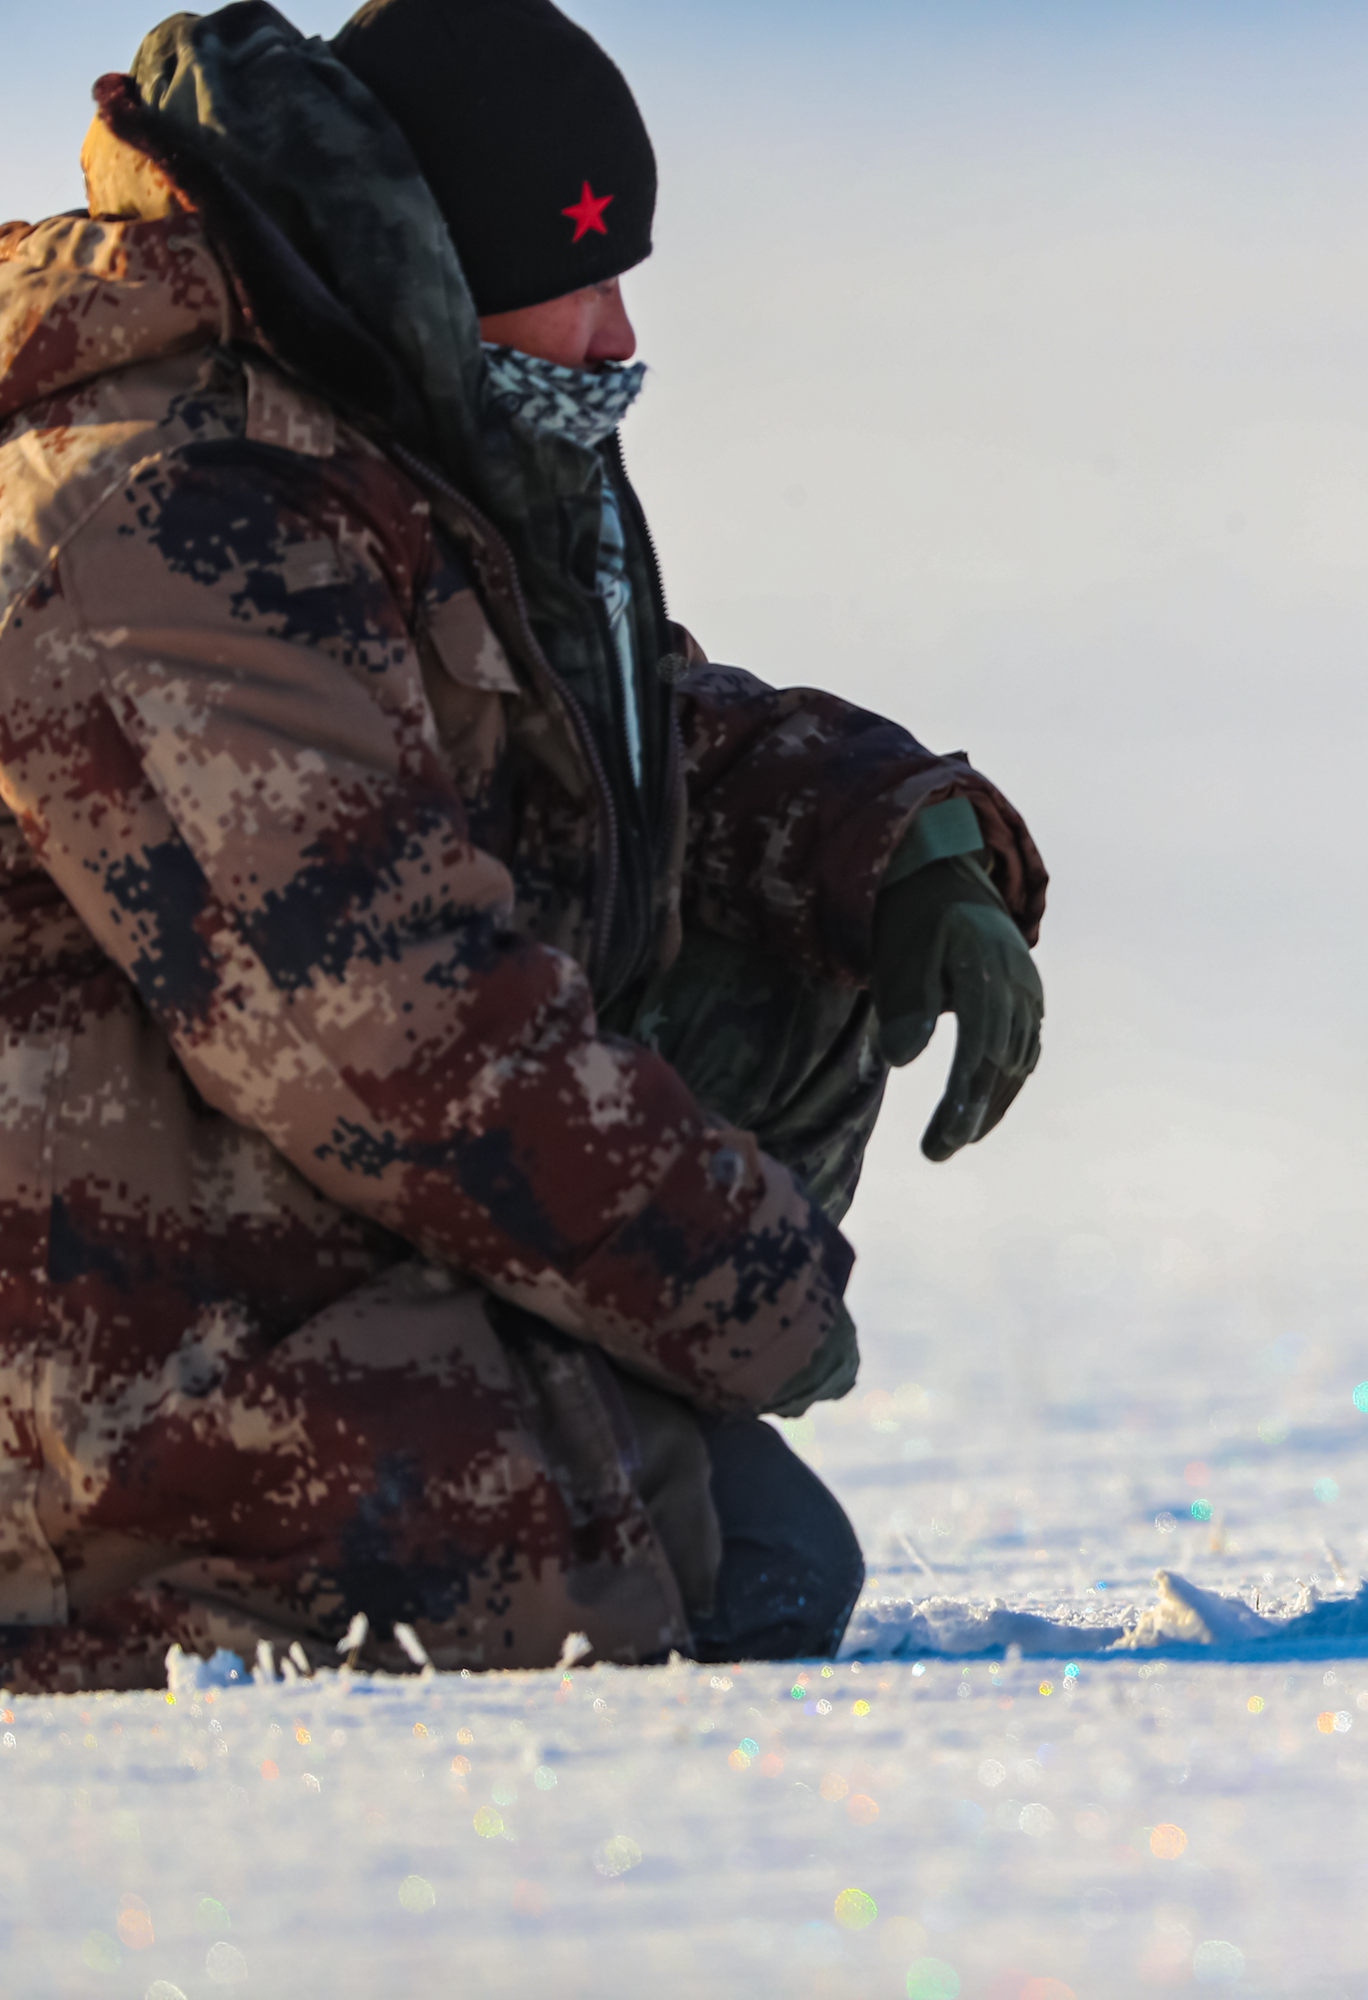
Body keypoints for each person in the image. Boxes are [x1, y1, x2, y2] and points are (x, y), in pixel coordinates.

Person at [0, 0, 1046, 1689]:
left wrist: (899, 838)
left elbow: (603, 727)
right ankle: (127, 1609)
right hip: (86, 1377)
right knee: (747, 1572)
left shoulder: (367, 416)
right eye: (580, 268)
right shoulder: (167, 510)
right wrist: (750, 1285)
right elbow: (393, 1019)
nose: (615, 332)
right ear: (427, 251)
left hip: (249, 1234)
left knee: (797, 966)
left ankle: (580, 1393)